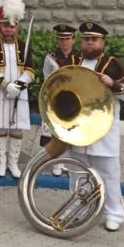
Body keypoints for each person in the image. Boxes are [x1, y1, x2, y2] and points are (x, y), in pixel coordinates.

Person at [67, 21, 124, 232]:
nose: (89, 43)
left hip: (104, 130)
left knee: (109, 173)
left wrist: (114, 85)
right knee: (77, 171)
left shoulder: (113, 64)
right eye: (86, 39)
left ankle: (113, 213)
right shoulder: (72, 61)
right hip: (77, 127)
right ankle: (78, 208)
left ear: (103, 43)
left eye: (94, 39)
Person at [0, 0, 35, 178]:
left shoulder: (24, 46)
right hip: (0, 91)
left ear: (18, 27)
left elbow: (30, 69)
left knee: (17, 128)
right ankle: (1, 162)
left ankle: (13, 163)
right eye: (6, 25)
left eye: (12, 26)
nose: (9, 29)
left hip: (20, 93)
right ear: (0, 26)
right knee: (1, 127)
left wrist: (19, 85)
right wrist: (6, 85)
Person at [40, 24, 79, 164]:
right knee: (54, 130)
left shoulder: (80, 57)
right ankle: (54, 161)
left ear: (73, 40)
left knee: (70, 130)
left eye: (67, 39)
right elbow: (47, 79)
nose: (64, 42)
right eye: (61, 39)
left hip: (74, 99)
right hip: (55, 98)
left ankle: (67, 160)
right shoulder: (51, 57)